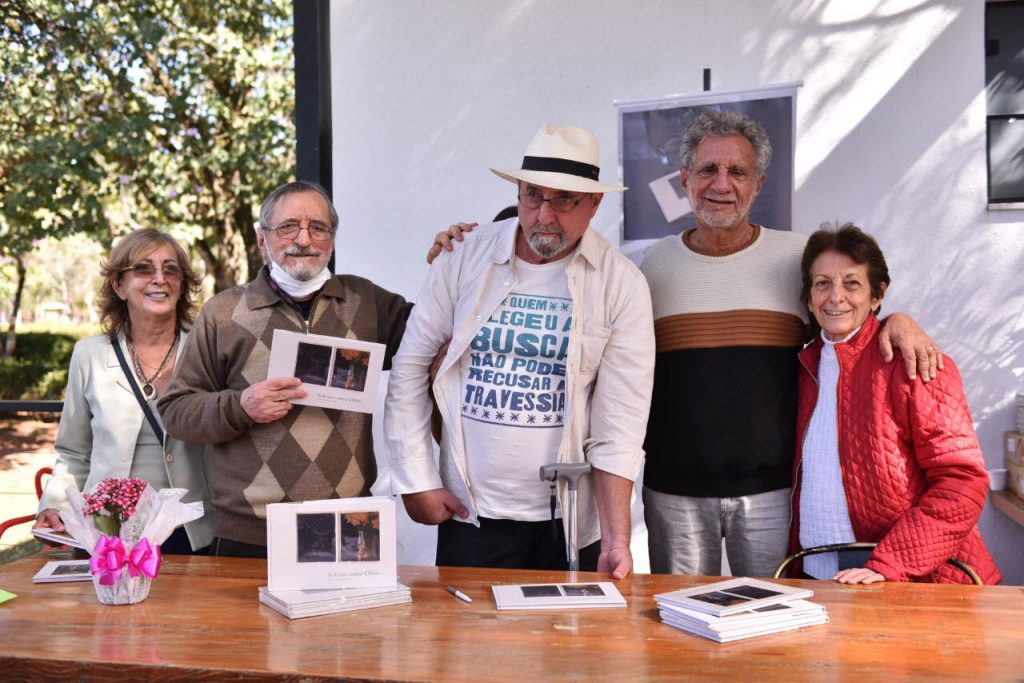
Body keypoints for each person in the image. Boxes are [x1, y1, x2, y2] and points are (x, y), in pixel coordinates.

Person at [639, 110, 941, 577]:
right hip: (673, 493)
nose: (722, 184)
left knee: (772, 629)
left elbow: (845, 322)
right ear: (684, 179)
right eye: (707, 170)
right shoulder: (652, 265)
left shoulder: (794, 257)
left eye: (737, 171)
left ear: (757, 184)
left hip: (774, 493)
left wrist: (897, 319)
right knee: (676, 629)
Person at [385, 123, 654, 578]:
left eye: (564, 199)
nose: (544, 216)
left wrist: (616, 539)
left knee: (568, 647)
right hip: (470, 514)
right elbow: (410, 369)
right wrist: (416, 481)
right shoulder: (463, 256)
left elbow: (620, 427)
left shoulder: (620, 283)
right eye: (533, 195)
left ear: (594, 203)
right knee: (468, 647)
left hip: (569, 524)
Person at [159, 180, 413, 558]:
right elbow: (176, 412)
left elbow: (441, 333)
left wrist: (455, 254)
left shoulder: (368, 302)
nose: (304, 239)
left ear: (332, 238)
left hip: (346, 526)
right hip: (249, 532)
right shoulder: (224, 313)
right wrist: (240, 406)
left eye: (318, 228)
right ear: (263, 240)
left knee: (341, 621)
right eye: (288, 227)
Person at [790, 223, 1000, 584]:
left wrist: (888, 563)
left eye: (852, 283)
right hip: (818, 574)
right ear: (809, 297)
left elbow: (962, 481)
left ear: (877, 295)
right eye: (822, 283)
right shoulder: (804, 368)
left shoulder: (915, 361)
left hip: (911, 579)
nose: (836, 297)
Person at [34, 229, 213, 554]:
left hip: (191, 531)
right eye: (144, 268)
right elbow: (74, 453)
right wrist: (54, 503)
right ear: (119, 285)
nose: (160, 278)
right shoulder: (89, 355)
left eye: (171, 269)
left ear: (182, 284)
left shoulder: (207, 349)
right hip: (106, 531)